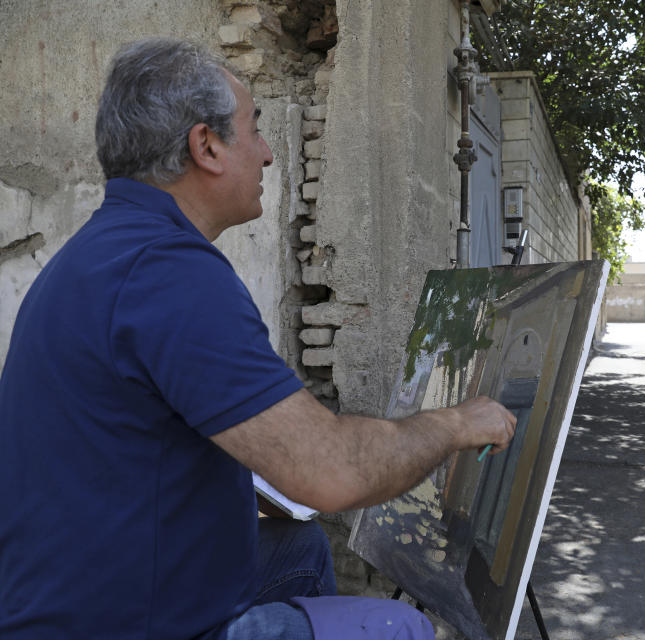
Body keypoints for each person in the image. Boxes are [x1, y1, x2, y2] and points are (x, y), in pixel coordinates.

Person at [0, 38, 517, 639]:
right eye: (255, 129)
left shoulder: (103, 250)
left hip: (80, 587)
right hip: (114, 623)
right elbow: (332, 473)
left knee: (298, 549)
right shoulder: (169, 273)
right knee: (399, 625)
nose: (269, 155)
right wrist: (456, 425)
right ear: (207, 146)